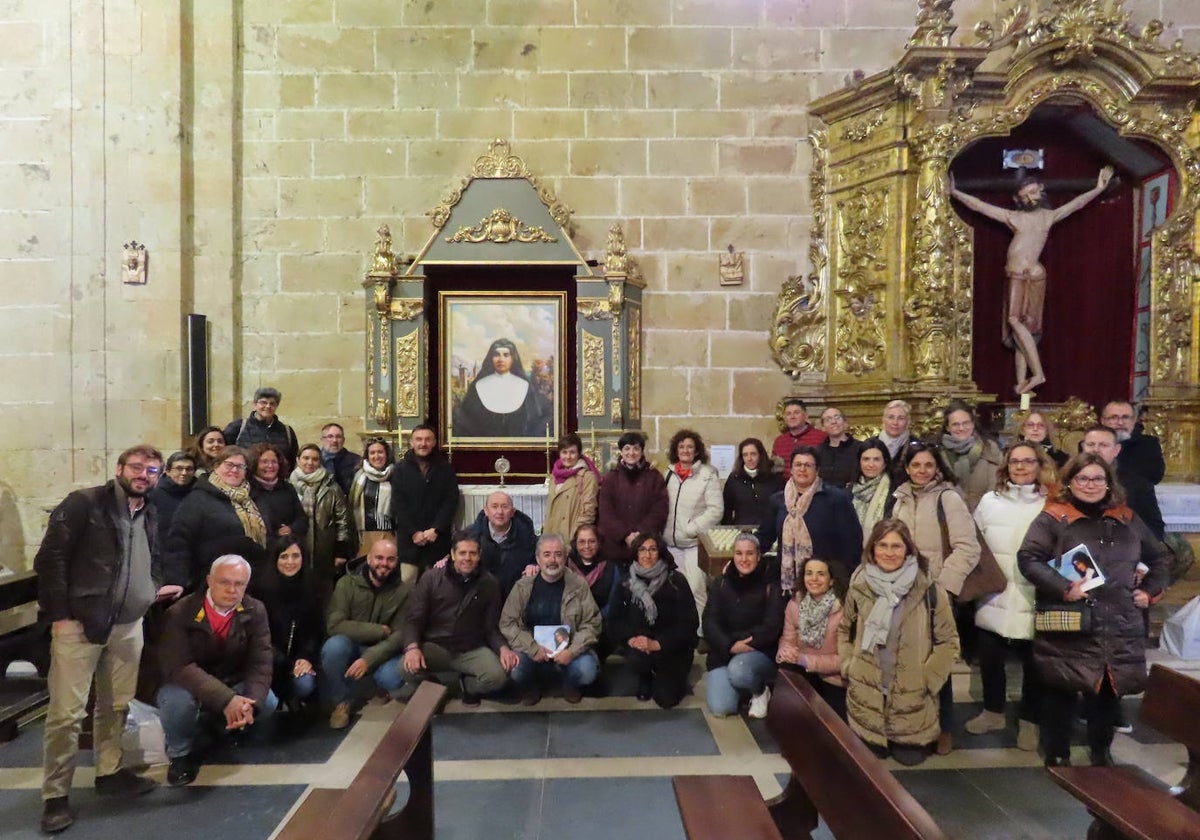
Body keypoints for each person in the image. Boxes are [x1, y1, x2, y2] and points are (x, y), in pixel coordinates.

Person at [35, 445, 169, 833]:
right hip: (80, 623)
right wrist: (59, 615)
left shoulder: (150, 511)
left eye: (153, 470)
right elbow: (50, 559)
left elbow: (153, 556)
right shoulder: (84, 504)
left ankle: (109, 771)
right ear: (119, 468)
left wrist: (152, 587)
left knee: (117, 705)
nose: (145, 475)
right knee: (66, 714)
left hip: (128, 624)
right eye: (139, 467)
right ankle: (55, 795)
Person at [1017, 454, 1168, 767]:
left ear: (1109, 482)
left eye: (1098, 478)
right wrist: (1063, 586)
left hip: (1119, 619)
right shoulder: (1054, 516)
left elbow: (1160, 559)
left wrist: (1148, 591)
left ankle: (1101, 751)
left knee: (1108, 691)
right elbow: (1029, 558)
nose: (1090, 485)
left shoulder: (1125, 517)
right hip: (1072, 615)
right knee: (1061, 689)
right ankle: (1057, 751)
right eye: (1082, 478)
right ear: (1070, 482)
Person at [949, 167, 1113, 394]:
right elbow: (979, 206)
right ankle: (1022, 384)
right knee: (1019, 329)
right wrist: (955, 193)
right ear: (1018, 198)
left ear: (1041, 190)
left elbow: (1076, 204)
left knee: (1016, 320)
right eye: (1025, 196)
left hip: (1031, 273)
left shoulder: (1048, 217)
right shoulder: (1015, 217)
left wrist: (1098, 188)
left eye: (1033, 192)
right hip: (1015, 274)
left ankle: (1037, 374)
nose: (1030, 198)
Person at [838, 519, 960, 766]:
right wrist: (848, 665)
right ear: (872, 549)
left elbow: (948, 641)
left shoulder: (928, 588)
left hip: (911, 704)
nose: (889, 553)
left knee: (909, 764)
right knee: (867, 768)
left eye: (896, 546)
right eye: (882, 545)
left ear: (908, 550)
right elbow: (845, 630)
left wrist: (929, 678)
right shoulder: (859, 584)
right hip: (867, 698)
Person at [890, 442, 980, 754]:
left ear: (937, 467)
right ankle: (911, 725)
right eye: (916, 465)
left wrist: (942, 588)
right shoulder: (900, 498)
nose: (922, 471)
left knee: (936, 663)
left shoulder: (948, 498)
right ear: (907, 468)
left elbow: (968, 548)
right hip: (903, 592)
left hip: (935, 594)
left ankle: (944, 727)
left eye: (928, 465)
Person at [157, 555, 277, 787]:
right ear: (210, 581)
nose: (232, 590)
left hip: (232, 680)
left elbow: (260, 663)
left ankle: (225, 728)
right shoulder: (180, 612)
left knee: (268, 702)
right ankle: (180, 755)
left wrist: (249, 703)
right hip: (185, 683)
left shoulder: (255, 609)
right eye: (225, 582)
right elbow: (179, 667)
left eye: (239, 584)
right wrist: (226, 699)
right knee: (176, 703)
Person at [967, 443, 1056, 750]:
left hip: (1035, 592)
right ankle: (993, 711)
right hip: (995, 590)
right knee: (991, 659)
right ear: (1006, 467)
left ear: (1039, 465)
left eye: (1027, 462)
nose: (1020, 467)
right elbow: (974, 539)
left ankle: (1030, 720)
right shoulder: (990, 501)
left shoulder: (1051, 502)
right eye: (1015, 462)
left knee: (1035, 663)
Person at [400, 532, 518, 705]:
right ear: (453, 554)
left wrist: (503, 648)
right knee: (405, 668)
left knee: (498, 677)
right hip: (436, 645)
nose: (467, 558)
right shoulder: (431, 578)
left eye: (473, 553)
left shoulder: (489, 584)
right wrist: (412, 648)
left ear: (479, 556)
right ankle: (436, 688)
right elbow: (414, 619)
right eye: (462, 553)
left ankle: (466, 686)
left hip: (470, 648)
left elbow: (491, 627)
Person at [320, 537, 411, 729]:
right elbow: (335, 625)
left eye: (390, 559)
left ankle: (378, 687)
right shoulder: (346, 584)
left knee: (391, 677)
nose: (384, 564)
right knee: (333, 647)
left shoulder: (404, 591)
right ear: (368, 559)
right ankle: (341, 701)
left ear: (396, 562)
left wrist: (368, 659)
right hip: (351, 644)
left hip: (383, 651)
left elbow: (400, 635)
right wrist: (378, 630)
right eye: (379, 558)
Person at [500, 533, 602, 705]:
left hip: (568, 650)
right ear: (538, 559)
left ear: (565, 558)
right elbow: (507, 623)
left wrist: (571, 651)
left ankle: (569, 684)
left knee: (587, 671)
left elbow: (592, 623)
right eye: (547, 554)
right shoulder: (522, 587)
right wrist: (533, 648)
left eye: (558, 554)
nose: (552, 560)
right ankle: (532, 685)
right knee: (516, 668)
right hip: (532, 650)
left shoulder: (579, 585)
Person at [607, 533, 698, 708]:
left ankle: (669, 675)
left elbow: (689, 624)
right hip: (640, 647)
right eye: (642, 550)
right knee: (637, 661)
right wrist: (632, 640)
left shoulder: (676, 581)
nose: (647, 555)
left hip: (672, 647)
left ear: (661, 552)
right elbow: (615, 621)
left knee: (666, 700)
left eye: (652, 549)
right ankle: (645, 676)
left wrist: (658, 644)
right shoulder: (626, 583)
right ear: (635, 553)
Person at [164, 446, 268, 593]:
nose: (234, 470)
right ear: (216, 466)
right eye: (229, 465)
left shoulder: (253, 499)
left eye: (240, 466)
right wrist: (177, 581)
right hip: (211, 583)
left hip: (252, 582)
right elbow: (179, 542)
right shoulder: (198, 499)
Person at [702, 533, 785, 719]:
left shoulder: (771, 584)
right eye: (739, 553)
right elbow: (709, 621)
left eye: (749, 553)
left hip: (757, 651)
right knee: (720, 707)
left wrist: (744, 643)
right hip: (726, 652)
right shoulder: (721, 582)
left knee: (739, 671)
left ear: (758, 555)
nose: (744, 559)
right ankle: (740, 689)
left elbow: (772, 624)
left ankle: (759, 691)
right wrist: (729, 644)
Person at [757, 447, 863, 591]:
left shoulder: (836, 499)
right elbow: (764, 537)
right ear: (791, 470)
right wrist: (744, 554)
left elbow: (852, 542)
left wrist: (842, 579)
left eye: (808, 465)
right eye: (798, 465)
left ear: (817, 470)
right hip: (786, 583)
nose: (802, 469)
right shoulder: (777, 500)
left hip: (825, 583)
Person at [249, 538, 322, 710]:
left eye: (296, 556)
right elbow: (257, 636)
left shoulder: (313, 586)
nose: (290, 562)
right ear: (275, 559)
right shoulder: (260, 590)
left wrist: (306, 658)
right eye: (284, 556)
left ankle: (294, 698)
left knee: (305, 685)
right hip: (269, 660)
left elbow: (317, 630)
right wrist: (286, 662)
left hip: (299, 660)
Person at [663, 429, 723, 627]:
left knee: (696, 588)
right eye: (681, 447)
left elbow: (715, 511)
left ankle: (702, 633)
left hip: (693, 544)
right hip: (671, 544)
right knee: (675, 591)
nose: (685, 450)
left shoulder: (707, 475)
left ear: (696, 451)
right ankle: (682, 633)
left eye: (690, 447)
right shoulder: (668, 475)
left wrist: (691, 529)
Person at [776, 557, 848, 719]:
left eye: (821, 574)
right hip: (804, 670)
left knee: (832, 724)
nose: (814, 579)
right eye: (809, 573)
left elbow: (845, 660)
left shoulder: (844, 610)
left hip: (834, 678)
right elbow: (787, 639)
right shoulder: (795, 604)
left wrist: (806, 660)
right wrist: (785, 651)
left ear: (831, 581)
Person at [391, 424, 460, 578]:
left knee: (438, 587)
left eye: (428, 439)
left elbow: (450, 501)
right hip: (409, 542)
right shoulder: (400, 469)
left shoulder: (445, 468)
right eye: (419, 439)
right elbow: (398, 504)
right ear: (412, 443)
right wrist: (414, 532)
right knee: (406, 588)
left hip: (437, 540)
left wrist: (436, 529)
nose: (423, 443)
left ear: (434, 442)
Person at [289, 443, 354, 603]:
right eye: (305, 458)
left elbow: (343, 519)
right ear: (298, 460)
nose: (310, 462)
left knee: (323, 597)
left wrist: (340, 550)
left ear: (320, 462)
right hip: (295, 550)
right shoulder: (288, 486)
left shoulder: (331, 487)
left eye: (314, 459)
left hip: (324, 551)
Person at [454, 337, 550, 437]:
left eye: (506, 355)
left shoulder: (525, 385)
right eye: (496, 355)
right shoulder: (478, 386)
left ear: (513, 358)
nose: (501, 359)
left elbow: (535, 422)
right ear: (491, 358)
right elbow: (466, 421)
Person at [596, 431, 668, 564]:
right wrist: (625, 535)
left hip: (646, 546)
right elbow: (606, 512)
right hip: (616, 547)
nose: (631, 453)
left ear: (642, 451)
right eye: (627, 448)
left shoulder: (654, 477)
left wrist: (640, 533)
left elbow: (660, 509)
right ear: (621, 452)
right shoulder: (611, 478)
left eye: (636, 448)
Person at [1100, 401, 1166, 541]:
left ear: (1134, 420)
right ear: (1103, 421)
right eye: (1113, 417)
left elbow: (1155, 475)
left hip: (1137, 507)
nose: (1120, 422)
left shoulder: (1148, 444)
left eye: (1125, 417)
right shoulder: (1092, 444)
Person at [468, 490, 539, 601]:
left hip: (516, 597)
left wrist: (534, 564)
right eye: (494, 507)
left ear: (512, 512)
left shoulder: (526, 535)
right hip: (481, 597)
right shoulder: (471, 535)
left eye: (505, 507)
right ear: (486, 511)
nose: (500, 512)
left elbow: (537, 557)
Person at [566, 524, 621, 660]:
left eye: (591, 541)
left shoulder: (611, 567)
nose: (587, 546)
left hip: (601, 626)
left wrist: (594, 618)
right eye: (582, 542)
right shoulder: (565, 566)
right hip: (569, 625)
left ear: (599, 543)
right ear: (575, 543)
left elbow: (614, 601)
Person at [940, 400, 1004, 512]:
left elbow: (998, 484)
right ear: (947, 427)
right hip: (949, 516)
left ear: (973, 424)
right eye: (955, 424)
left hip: (984, 514)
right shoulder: (938, 453)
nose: (961, 428)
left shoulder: (990, 449)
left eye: (966, 423)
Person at [543, 432, 600, 541]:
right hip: (552, 536)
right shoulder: (554, 477)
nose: (568, 456)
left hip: (572, 537)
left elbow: (589, 512)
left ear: (579, 454)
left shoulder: (587, 477)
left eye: (572, 452)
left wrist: (576, 536)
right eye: (564, 452)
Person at [223, 386, 300, 462]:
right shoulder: (237, 427)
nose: (268, 406)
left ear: (276, 406)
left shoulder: (287, 432)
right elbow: (223, 454)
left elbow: (293, 459)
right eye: (263, 402)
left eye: (272, 403)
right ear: (255, 405)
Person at [248, 442, 307, 542]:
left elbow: (302, 519)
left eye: (274, 462)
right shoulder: (248, 490)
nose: (270, 466)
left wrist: (291, 529)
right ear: (255, 464)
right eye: (264, 462)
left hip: (289, 546)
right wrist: (275, 533)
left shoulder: (287, 488)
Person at [349, 437, 396, 557]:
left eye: (380, 452)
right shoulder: (359, 477)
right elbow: (351, 504)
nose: (377, 456)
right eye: (372, 453)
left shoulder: (396, 476)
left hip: (390, 533)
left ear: (387, 455)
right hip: (365, 534)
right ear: (367, 456)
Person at [722, 437, 784, 527]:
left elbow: (782, 508)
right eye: (745, 455)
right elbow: (726, 509)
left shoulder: (775, 478)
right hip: (742, 532)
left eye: (753, 454)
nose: (749, 458)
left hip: (769, 531)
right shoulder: (734, 479)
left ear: (761, 455)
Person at [862, 399, 919, 485]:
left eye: (901, 418)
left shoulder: (916, 446)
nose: (895, 422)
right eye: (891, 417)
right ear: (883, 420)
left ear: (908, 422)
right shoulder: (870, 445)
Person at [148, 451, 197, 546]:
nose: (184, 473)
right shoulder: (154, 494)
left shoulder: (200, 493)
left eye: (189, 469)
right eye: (179, 468)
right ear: (168, 471)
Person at [849, 443, 893, 544]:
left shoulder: (894, 492)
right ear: (859, 462)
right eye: (866, 459)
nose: (871, 464)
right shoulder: (848, 490)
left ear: (885, 463)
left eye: (876, 459)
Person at [772, 398, 827, 477]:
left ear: (805, 416)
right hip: (784, 487)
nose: (792, 416)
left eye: (796, 413)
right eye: (788, 414)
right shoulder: (779, 441)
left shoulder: (821, 437)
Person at [815, 406, 861, 489]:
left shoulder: (860, 448)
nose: (833, 422)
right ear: (823, 427)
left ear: (845, 423)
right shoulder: (817, 452)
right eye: (828, 419)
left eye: (837, 417)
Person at [320, 422, 362, 496]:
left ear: (343, 440)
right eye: (330, 436)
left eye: (338, 437)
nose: (334, 440)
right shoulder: (314, 460)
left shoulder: (356, 461)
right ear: (322, 439)